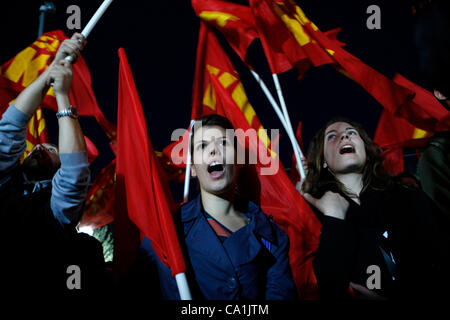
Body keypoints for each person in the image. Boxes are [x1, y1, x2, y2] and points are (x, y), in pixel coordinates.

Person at [137, 114, 297, 300]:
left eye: (223, 143)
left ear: (237, 160)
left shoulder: (270, 236)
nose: (214, 150)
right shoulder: (167, 231)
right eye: (202, 146)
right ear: (193, 168)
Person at [0, 33, 104, 294]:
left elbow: (74, 172)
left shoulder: (57, 210)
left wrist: (63, 96)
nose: (39, 146)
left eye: (51, 149)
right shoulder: (4, 178)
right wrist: (51, 71)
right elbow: (10, 127)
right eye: (39, 146)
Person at [301, 117, 450, 300]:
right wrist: (335, 217)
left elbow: (440, 257)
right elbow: (327, 286)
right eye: (332, 136)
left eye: (351, 133)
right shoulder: (314, 214)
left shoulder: (407, 197)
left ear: (366, 150)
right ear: (323, 160)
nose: (344, 137)